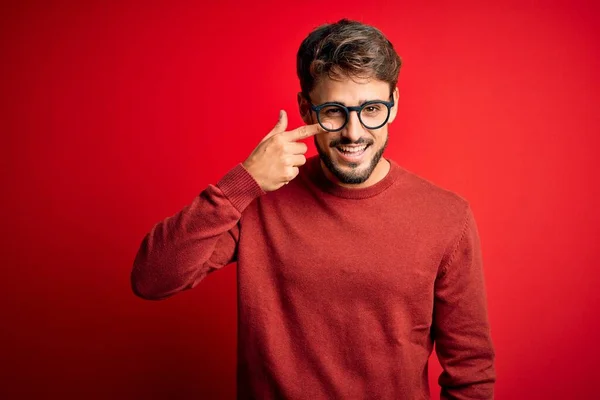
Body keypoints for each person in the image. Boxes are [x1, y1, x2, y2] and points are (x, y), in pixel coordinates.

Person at [131, 18, 496, 400]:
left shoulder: (446, 217)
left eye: (371, 109)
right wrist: (242, 183)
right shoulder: (260, 201)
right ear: (306, 108)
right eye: (334, 111)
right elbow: (152, 278)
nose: (354, 133)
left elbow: (471, 372)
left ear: (395, 103)